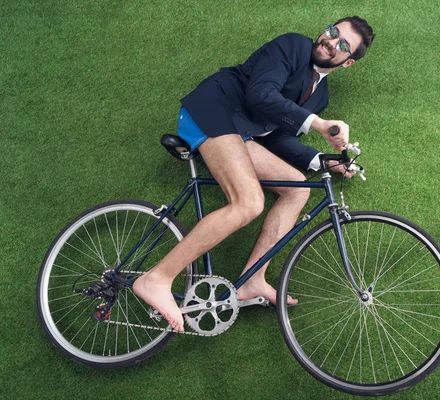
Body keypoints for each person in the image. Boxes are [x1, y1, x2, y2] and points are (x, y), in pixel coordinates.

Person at [133, 16, 375, 332]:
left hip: (241, 134)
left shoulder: (320, 95)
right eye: (332, 32)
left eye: (343, 45)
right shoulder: (293, 45)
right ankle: (157, 278)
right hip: (213, 111)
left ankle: (253, 281)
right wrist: (317, 123)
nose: (331, 41)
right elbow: (261, 94)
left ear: (348, 62)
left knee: (298, 188)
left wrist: (320, 160)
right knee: (248, 203)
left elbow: (276, 136)